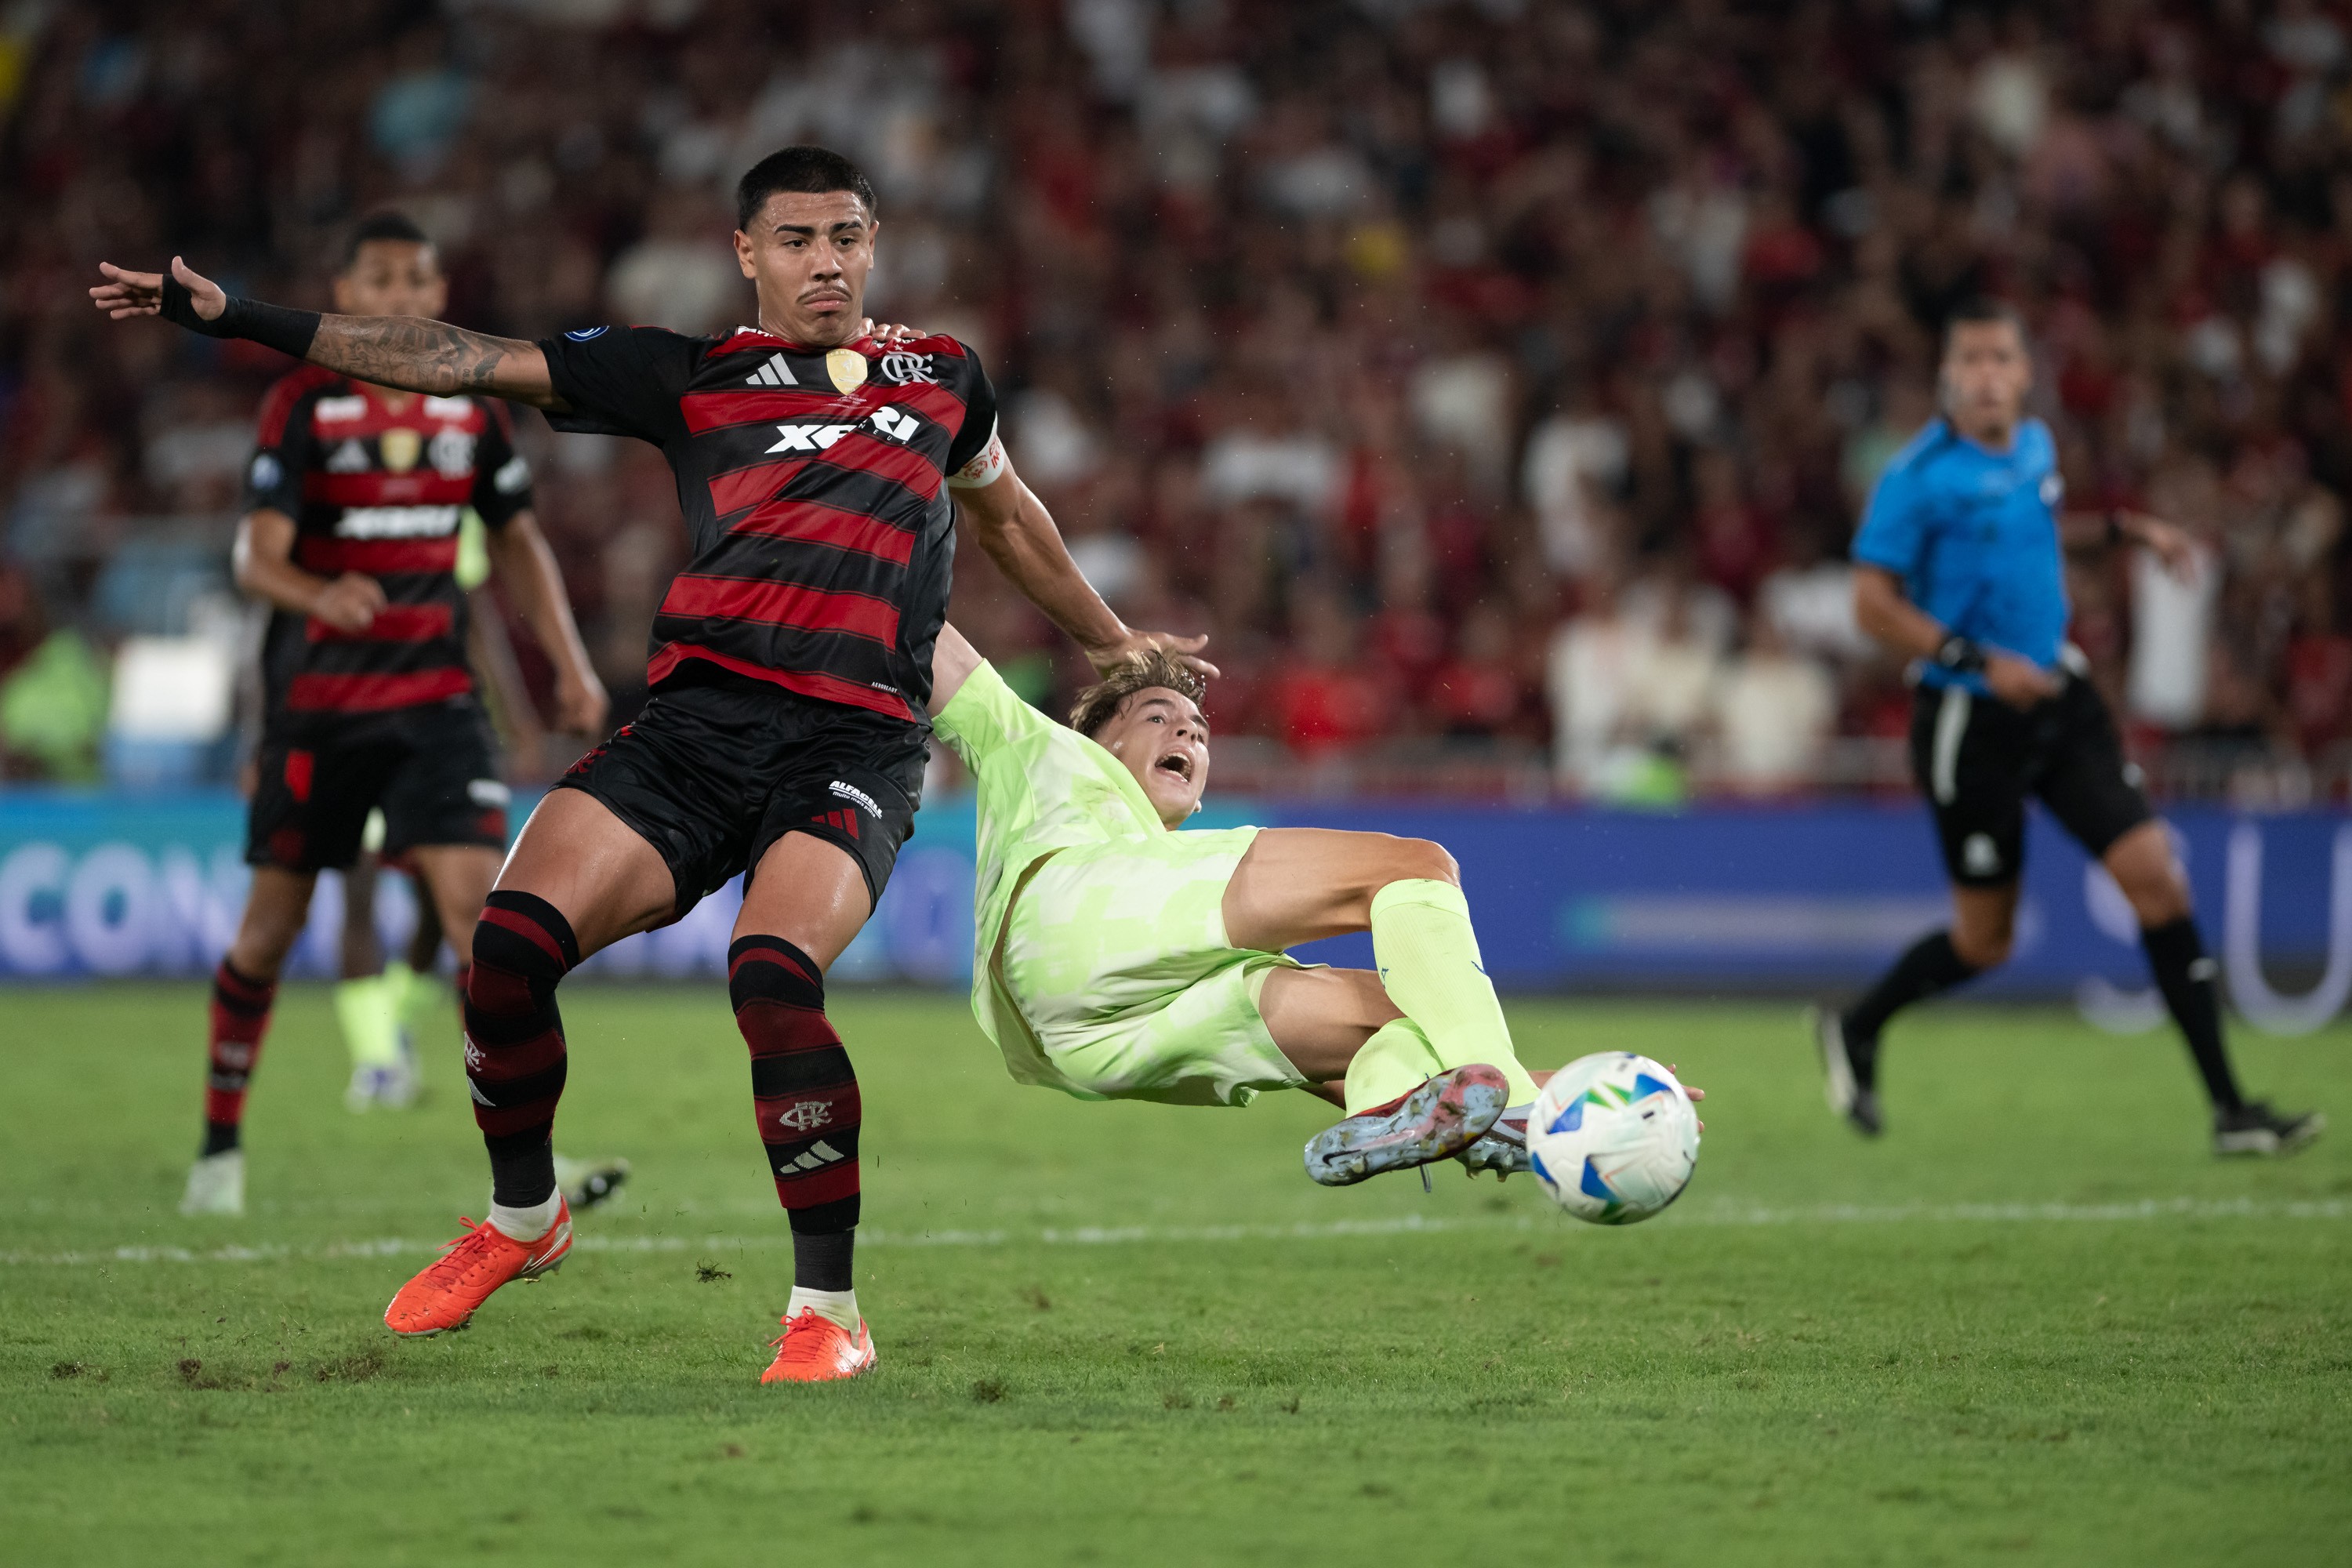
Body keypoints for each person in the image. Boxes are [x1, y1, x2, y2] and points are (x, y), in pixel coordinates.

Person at [95, 146, 1207, 1382]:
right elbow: (460, 355)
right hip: (694, 731)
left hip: (855, 739)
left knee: (771, 974)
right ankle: (526, 1217)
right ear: (747, 254)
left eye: (845, 235)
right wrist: (240, 318)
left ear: (875, 244)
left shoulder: (943, 375)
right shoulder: (688, 376)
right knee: (507, 950)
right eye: (795, 239)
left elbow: (1006, 519)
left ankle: (828, 1314)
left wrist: (1114, 641)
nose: (825, 260)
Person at [164, 211, 612, 1218]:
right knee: (268, 936)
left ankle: (534, 1169)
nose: (404, 296)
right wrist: (317, 592)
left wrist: (568, 664)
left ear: (441, 298)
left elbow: (519, 543)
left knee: (480, 924)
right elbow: (253, 556)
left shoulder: (474, 413)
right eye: (382, 279)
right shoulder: (302, 404)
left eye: (419, 280)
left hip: (438, 706)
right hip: (319, 711)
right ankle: (220, 1144)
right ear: (346, 293)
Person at [1816, 297, 2322, 1156]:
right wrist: (1980, 662)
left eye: (2000, 360)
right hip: (1969, 723)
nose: (1985, 376)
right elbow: (1870, 605)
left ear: (2022, 374)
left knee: (2158, 880)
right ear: (1947, 381)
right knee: (1988, 940)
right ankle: (1858, 1025)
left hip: (2059, 697)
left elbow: (2034, 536)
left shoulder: (2035, 448)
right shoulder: (1916, 477)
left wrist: (2128, 530)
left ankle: (2231, 1110)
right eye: (1969, 361)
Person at [926, 624, 1704, 1178]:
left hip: (1072, 1044)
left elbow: (1386, 1066)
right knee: (1413, 866)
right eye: (1156, 715)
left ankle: (1466, 1108)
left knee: (1384, 1019)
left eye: (1198, 730)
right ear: (1096, 734)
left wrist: (1574, 1091)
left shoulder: (1173, 904)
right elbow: (926, 635)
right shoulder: (1039, 747)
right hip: (1069, 921)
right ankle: (1523, 1105)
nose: (1188, 734)